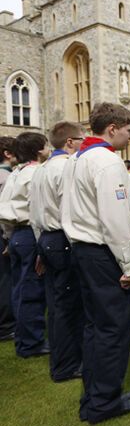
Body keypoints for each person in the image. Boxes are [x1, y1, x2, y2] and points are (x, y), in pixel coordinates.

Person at [61, 103, 130, 424]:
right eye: (127, 129)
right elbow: (115, 220)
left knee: (94, 326)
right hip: (102, 252)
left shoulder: (77, 159)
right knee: (112, 329)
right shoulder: (107, 162)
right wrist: (128, 265)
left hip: (82, 249)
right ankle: (105, 401)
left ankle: (94, 395)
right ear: (112, 128)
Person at [30, 121, 85, 382]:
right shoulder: (66, 167)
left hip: (47, 238)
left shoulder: (41, 170)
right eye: (81, 140)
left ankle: (62, 358)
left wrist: (41, 247)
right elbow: (69, 210)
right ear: (70, 142)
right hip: (63, 239)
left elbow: (34, 214)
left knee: (56, 304)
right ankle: (66, 365)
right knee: (68, 306)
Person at [0, 132, 50, 357]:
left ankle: (24, 338)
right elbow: (39, 211)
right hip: (31, 234)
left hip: (17, 235)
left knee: (19, 289)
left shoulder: (15, 174)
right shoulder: (36, 173)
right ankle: (31, 343)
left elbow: (5, 208)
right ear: (40, 150)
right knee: (32, 290)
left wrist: (9, 237)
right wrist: (42, 246)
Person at [0, 136, 17, 342]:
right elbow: (5, 211)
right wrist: (8, 237)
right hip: (3, 233)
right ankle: (6, 326)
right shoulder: (6, 178)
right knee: (6, 279)